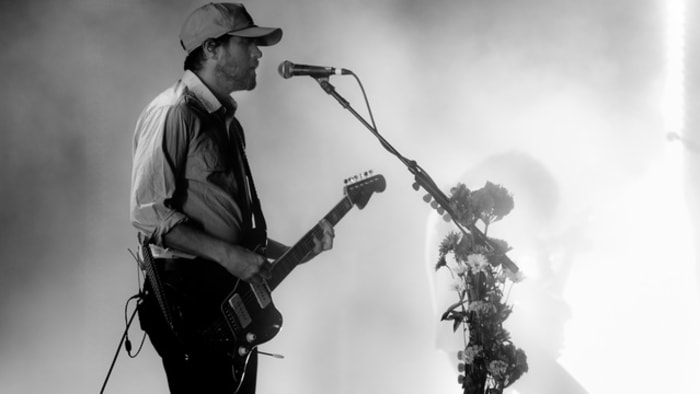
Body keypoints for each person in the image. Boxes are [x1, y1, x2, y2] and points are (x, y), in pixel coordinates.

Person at [129, 3, 334, 393]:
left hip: (228, 299)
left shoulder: (228, 124)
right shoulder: (173, 113)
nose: (259, 54)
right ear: (211, 48)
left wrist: (294, 251)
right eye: (248, 44)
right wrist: (227, 256)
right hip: (192, 302)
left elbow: (234, 232)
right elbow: (149, 215)